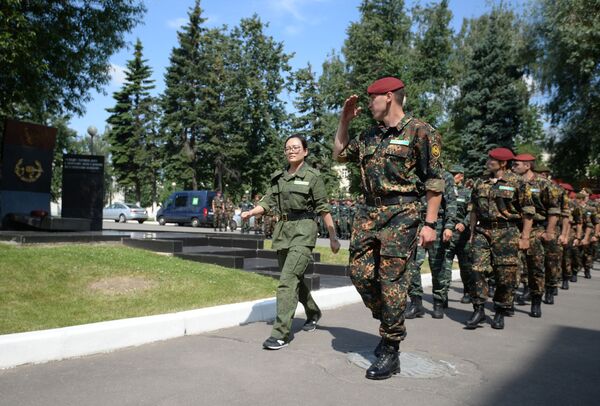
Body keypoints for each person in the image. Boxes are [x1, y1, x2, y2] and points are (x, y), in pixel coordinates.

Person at [333, 77, 444, 380]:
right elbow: (339, 153)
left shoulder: (421, 131)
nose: (369, 105)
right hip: (368, 211)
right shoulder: (369, 135)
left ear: (390, 97)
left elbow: (435, 182)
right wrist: (343, 121)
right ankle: (390, 317)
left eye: (373, 98)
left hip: (403, 212)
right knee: (359, 273)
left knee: (391, 279)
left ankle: (391, 347)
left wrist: (430, 224)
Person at [241, 135, 340, 350]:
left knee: (287, 280)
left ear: (305, 151)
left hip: (304, 231)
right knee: (296, 278)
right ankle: (313, 312)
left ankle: (280, 334)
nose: (291, 151)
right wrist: (251, 212)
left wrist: (333, 236)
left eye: (296, 147)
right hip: (283, 232)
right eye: (288, 148)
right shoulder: (279, 177)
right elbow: (267, 202)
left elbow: (323, 207)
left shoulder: (313, 176)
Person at [466, 147, 534, 330]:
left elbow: (528, 212)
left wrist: (525, 237)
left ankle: (500, 310)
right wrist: (472, 233)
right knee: (477, 269)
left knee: (505, 275)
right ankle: (478, 308)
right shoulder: (481, 182)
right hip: (483, 231)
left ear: (503, 163)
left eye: (492, 160)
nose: (488, 162)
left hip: (507, 232)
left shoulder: (518, 182)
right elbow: (473, 209)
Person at [405, 169, 457, 319]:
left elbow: (451, 202)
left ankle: (439, 302)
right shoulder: (412, 174)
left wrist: (448, 226)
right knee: (412, 264)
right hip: (416, 222)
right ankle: (416, 303)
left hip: (438, 223)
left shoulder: (444, 176)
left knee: (437, 265)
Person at [511, 154, 559, 316]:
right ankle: (507, 301)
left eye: (516, 164)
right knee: (510, 265)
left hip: (536, 229)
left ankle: (536, 299)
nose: (513, 166)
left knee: (535, 266)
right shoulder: (511, 181)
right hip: (513, 227)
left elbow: (553, 209)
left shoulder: (544, 184)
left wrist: (549, 232)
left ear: (527, 166)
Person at [444, 164, 475, 304]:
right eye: (450, 173)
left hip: (463, 236)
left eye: (455, 174)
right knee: (445, 266)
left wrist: (464, 223)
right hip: (448, 234)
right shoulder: (446, 191)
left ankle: (467, 291)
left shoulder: (467, 193)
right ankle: (442, 294)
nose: (452, 176)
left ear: (461, 176)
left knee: (465, 266)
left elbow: (472, 211)